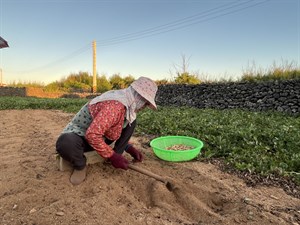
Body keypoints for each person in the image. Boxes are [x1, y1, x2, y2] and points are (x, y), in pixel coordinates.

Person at [56, 77, 158, 185]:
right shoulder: (115, 105)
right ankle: (80, 166)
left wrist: (128, 147)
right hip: (81, 136)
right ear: (138, 97)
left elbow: (115, 128)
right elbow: (92, 135)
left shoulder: (126, 105)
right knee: (66, 143)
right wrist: (113, 156)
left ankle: (117, 153)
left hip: (102, 137)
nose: (144, 107)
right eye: (146, 103)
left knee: (131, 121)